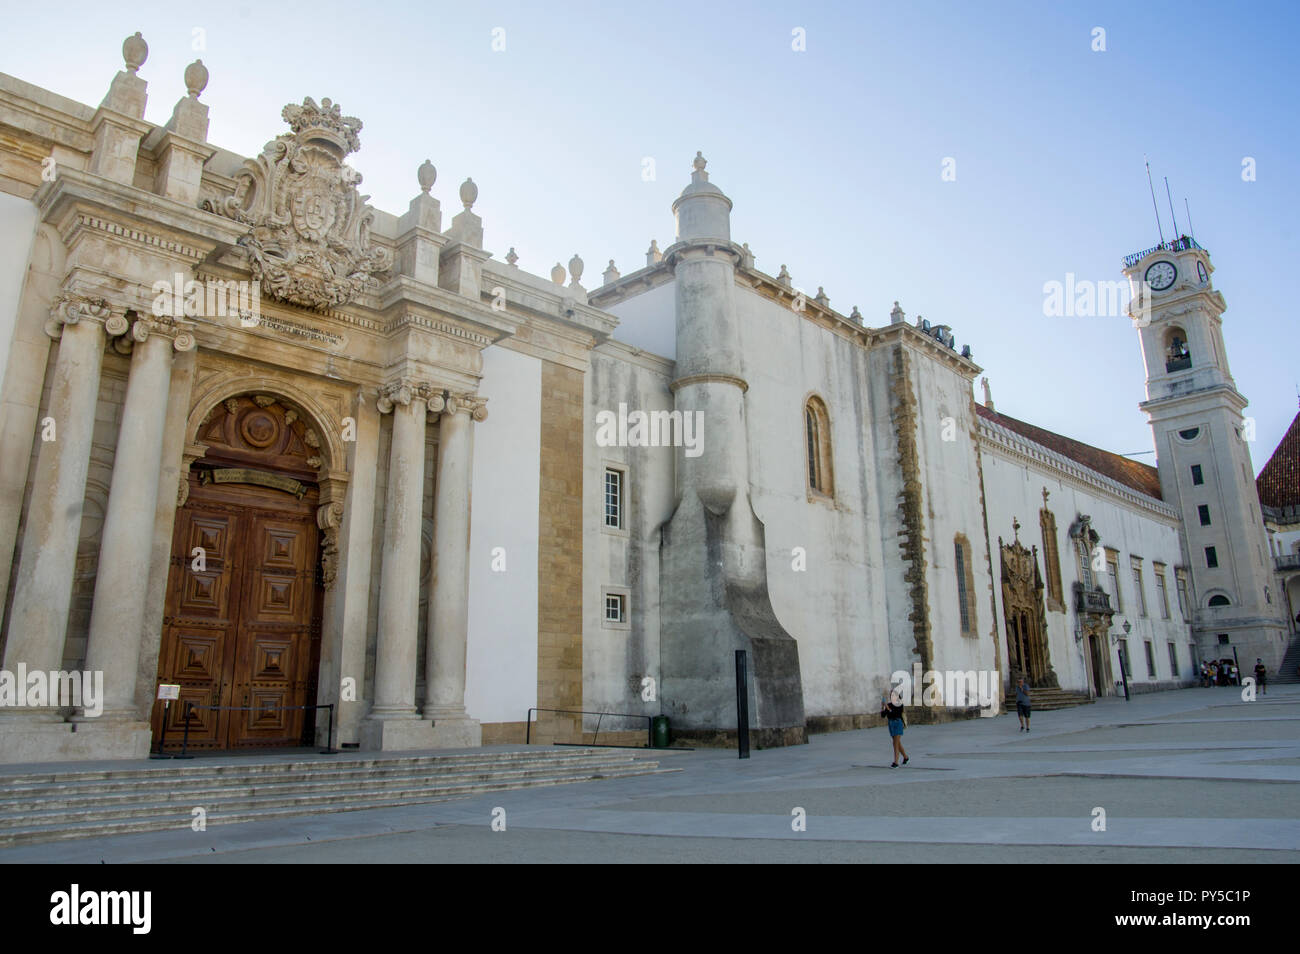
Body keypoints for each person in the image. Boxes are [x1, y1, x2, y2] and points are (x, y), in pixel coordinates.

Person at [880, 690, 909, 767]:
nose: (891, 697)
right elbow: (883, 715)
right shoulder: (889, 704)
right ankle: (906, 757)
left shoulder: (899, 705)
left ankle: (896, 762)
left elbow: (895, 714)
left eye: (893, 695)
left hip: (898, 723)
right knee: (897, 743)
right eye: (891, 695)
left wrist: (887, 708)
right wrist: (883, 707)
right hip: (891, 724)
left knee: (895, 743)